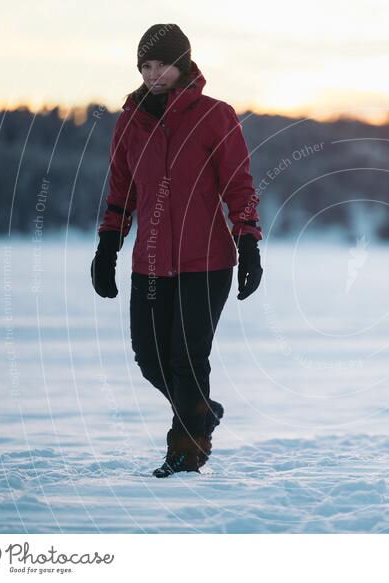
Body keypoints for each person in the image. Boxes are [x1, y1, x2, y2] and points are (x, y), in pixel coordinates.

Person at [90, 24, 263, 478]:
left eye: (161, 64)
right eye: (145, 66)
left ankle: (187, 450)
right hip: (149, 264)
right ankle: (201, 410)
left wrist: (249, 244)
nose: (153, 74)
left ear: (182, 64)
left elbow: (239, 186)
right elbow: (121, 190)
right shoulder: (131, 120)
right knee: (149, 356)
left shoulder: (214, 116)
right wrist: (108, 246)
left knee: (188, 359)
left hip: (206, 263)